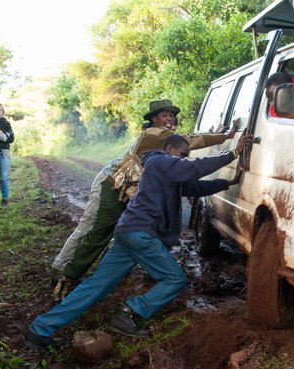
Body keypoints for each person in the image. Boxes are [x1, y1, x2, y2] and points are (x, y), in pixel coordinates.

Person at [25, 133, 252, 350]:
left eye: (186, 156)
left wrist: (229, 181)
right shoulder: (158, 162)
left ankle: (41, 329)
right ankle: (130, 312)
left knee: (95, 286)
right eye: (182, 154)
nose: (184, 159)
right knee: (175, 278)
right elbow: (192, 168)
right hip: (141, 233)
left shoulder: (167, 172)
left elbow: (195, 186)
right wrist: (232, 153)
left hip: (128, 234)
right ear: (169, 149)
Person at [51, 99, 238, 300]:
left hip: (132, 193)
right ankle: (67, 277)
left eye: (171, 116)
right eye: (164, 115)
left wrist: (223, 176)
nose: (169, 119)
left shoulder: (163, 143)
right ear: (154, 119)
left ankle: (108, 276)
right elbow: (189, 141)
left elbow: (187, 161)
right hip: (116, 188)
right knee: (99, 233)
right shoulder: (153, 134)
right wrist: (224, 138)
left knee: (130, 233)